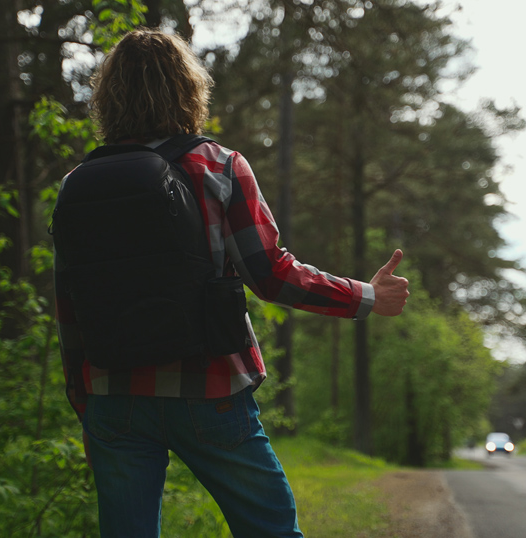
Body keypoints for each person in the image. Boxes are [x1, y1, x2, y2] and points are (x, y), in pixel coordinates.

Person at [54, 28, 409, 538]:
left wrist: (86, 405)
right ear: (187, 88)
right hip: (212, 387)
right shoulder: (217, 165)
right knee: (271, 529)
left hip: (115, 396)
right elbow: (271, 274)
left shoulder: (77, 186)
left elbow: (69, 306)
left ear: (108, 97)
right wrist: (367, 297)